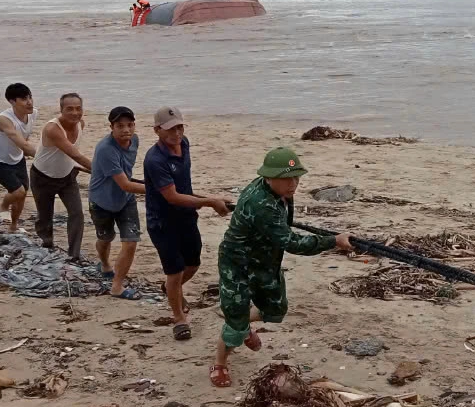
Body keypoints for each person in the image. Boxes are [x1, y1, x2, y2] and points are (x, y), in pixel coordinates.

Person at [210, 147, 353, 387]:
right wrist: (333, 241)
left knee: (275, 309)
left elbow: (282, 230)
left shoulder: (278, 191)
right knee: (235, 319)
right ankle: (220, 363)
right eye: (286, 178)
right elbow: (293, 243)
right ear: (269, 177)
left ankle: (242, 325)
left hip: (265, 258)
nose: (293, 184)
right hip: (238, 262)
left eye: (296, 177)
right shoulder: (262, 204)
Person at [141, 106, 232, 340]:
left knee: (192, 265)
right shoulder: (155, 159)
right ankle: (179, 318)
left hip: (187, 217)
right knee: (175, 271)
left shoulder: (185, 144)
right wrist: (210, 201)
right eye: (171, 129)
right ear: (157, 131)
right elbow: (171, 196)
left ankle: (170, 290)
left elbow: (183, 187)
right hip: (163, 222)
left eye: (180, 127)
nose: (177, 133)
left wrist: (208, 200)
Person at [89, 106, 146, 299]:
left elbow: (127, 175)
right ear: (111, 127)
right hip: (102, 201)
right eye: (120, 126)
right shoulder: (106, 149)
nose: (126, 130)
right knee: (105, 239)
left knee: (130, 242)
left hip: (126, 201)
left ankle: (117, 286)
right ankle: (104, 263)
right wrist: (158, 191)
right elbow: (125, 184)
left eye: (130, 125)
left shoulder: (135, 141)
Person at [30, 92, 91, 260]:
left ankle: (74, 254)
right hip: (42, 177)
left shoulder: (81, 124)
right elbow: (75, 154)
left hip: (67, 177)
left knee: (77, 213)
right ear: (61, 110)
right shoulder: (52, 129)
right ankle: (47, 244)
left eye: (78, 109)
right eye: (69, 109)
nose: (75, 113)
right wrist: (102, 171)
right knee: (45, 216)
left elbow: (71, 156)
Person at [0, 83, 36, 233]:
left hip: (16, 156)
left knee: (23, 193)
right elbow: (20, 141)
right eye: (24, 99)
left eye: (30, 97)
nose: (30, 102)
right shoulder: (4, 119)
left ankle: (13, 226)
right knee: (18, 192)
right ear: (12, 101)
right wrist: (43, 159)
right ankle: (3, 206)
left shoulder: (33, 113)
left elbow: (25, 135)